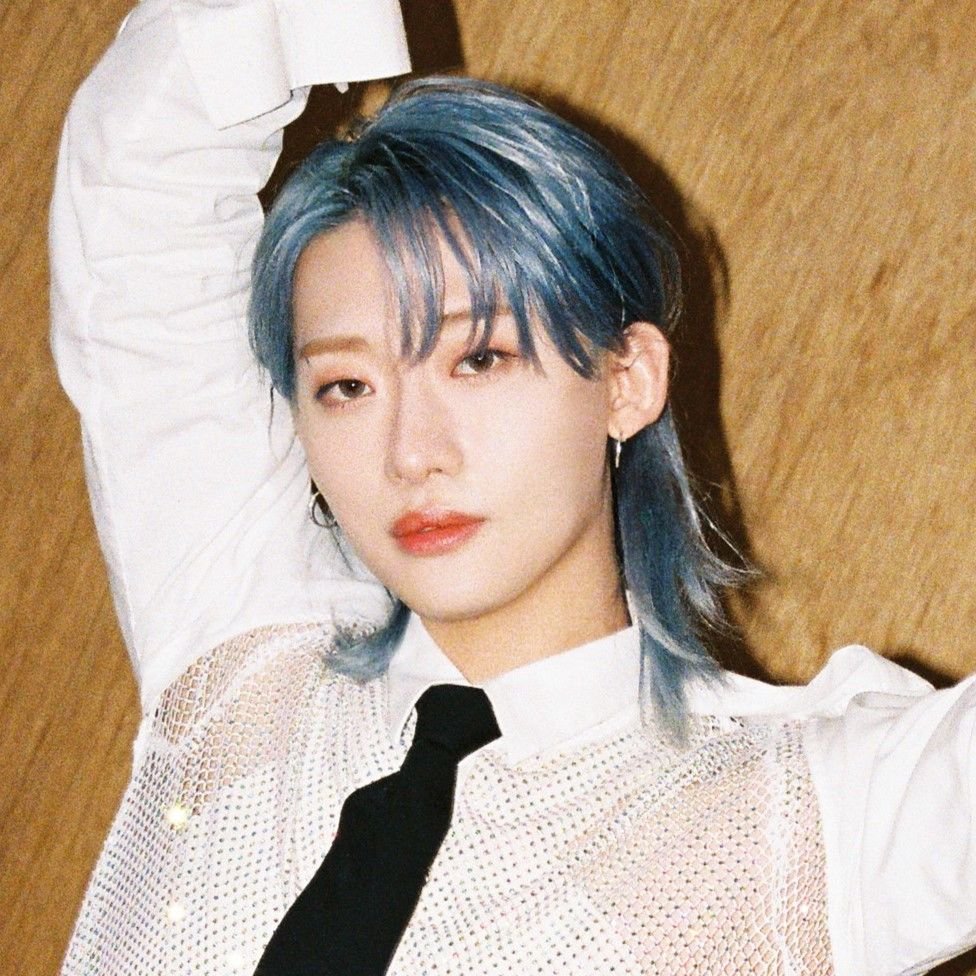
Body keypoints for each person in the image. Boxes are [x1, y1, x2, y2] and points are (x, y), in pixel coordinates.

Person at [50, 1, 976, 974]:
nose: (411, 454)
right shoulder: (244, 661)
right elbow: (138, 178)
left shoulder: (811, 817)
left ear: (625, 381)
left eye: (480, 358)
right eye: (348, 386)